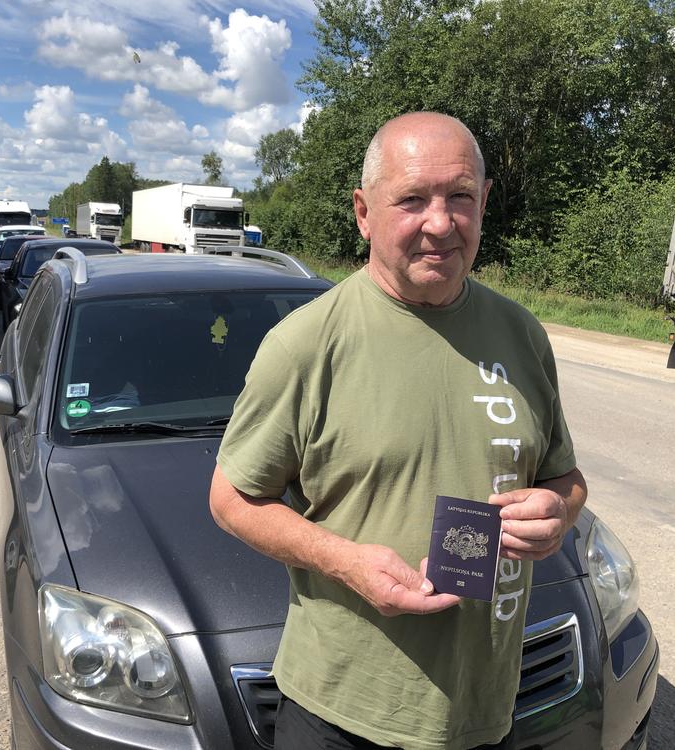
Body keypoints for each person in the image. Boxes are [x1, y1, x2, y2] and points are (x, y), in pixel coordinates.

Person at [209, 112, 587, 750]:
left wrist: (559, 511)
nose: (439, 223)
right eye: (411, 200)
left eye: (459, 197)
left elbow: (563, 478)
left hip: (484, 710)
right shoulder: (306, 343)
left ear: (484, 203)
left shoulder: (521, 334)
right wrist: (348, 563)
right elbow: (231, 499)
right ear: (363, 212)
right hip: (343, 714)